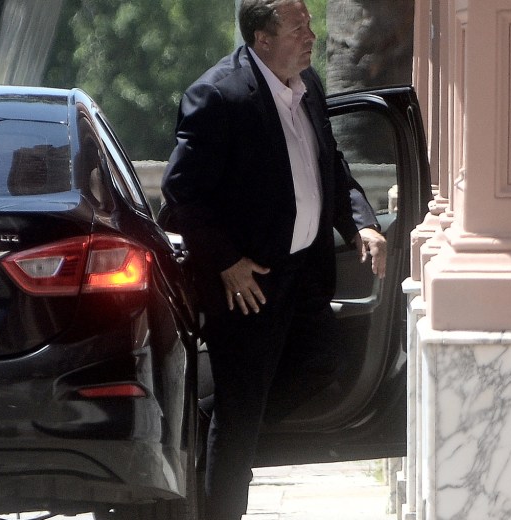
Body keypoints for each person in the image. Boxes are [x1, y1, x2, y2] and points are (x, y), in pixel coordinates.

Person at [159, 0, 387, 518]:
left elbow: (331, 167)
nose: (311, 34)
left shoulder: (308, 88)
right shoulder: (217, 95)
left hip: (304, 270)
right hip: (248, 281)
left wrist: (361, 224)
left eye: (309, 22)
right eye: (298, 26)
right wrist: (226, 263)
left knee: (319, 364)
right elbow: (183, 194)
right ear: (262, 39)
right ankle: (223, 493)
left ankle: (213, 433)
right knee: (239, 413)